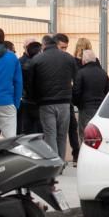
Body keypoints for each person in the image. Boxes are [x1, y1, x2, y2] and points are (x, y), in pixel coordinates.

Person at [30, 34, 78, 162]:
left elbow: (31, 83)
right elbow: (76, 79)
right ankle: (61, 162)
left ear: (44, 45)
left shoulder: (37, 59)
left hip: (45, 103)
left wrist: (36, 99)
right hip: (65, 102)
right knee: (62, 134)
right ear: (56, 44)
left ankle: (54, 163)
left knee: (50, 134)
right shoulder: (68, 58)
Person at [73, 49, 109, 142]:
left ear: (83, 61)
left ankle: (86, 154)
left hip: (85, 109)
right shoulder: (103, 73)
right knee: (99, 135)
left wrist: (78, 104)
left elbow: (76, 92)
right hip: (100, 109)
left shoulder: (81, 73)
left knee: (85, 135)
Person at [17, 39, 42, 135]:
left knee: (26, 130)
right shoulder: (41, 65)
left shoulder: (21, 63)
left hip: (26, 100)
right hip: (38, 102)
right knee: (39, 131)